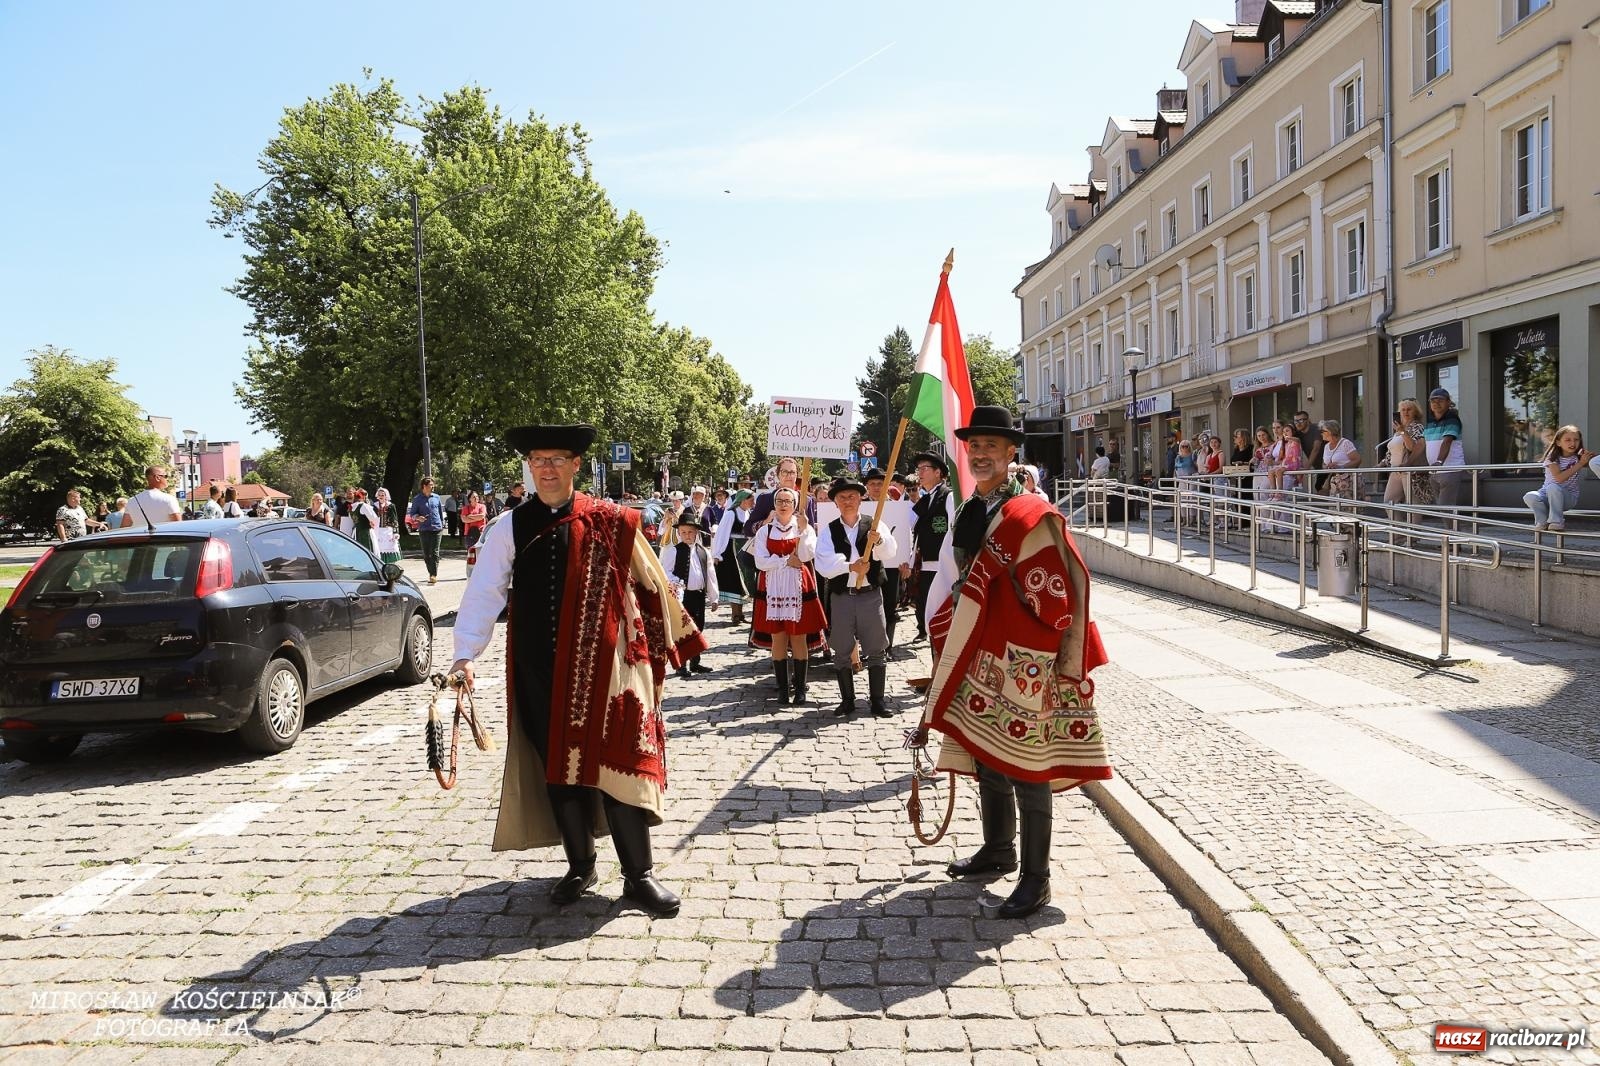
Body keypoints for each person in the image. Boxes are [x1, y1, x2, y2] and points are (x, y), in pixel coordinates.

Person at [449, 423, 705, 919]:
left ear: (575, 466)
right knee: (561, 771)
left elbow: (652, 580)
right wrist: (464, 655)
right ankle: (581, 865)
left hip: (606, 672)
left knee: (618, 765)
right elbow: (484, 592)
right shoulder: (508, 527)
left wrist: (673, 644)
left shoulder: (611, 519)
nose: (546, 469)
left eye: (556, 459)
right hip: (539, 669)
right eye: (537, 460)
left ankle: (640, 876)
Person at [912, 404, 1112, 920]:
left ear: (1009, 453)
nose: (980, 454)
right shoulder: (967, 508)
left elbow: (1055, 594)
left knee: (1027, 765)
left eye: (990, 447)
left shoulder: (1028, 515)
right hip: (980, 648)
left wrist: (1006, 599)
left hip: (1024, 655)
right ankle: (998, 848)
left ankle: (1036, 878)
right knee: (985, 751)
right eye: (973, 446)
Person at [814, 477, 898, 718]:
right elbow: (823, 563)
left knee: (876, 648)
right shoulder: (829, 531)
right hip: (843, 596)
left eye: (852, 496)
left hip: (871, 595)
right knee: (841, 649)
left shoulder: (875, 525)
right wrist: (850, 566)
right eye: (842, 497)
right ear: (835, 503)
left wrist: (878, 541)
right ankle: (847, 701)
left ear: (861, 498)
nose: (848, 501)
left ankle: (878, 701)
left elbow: (890, 552)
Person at [751, 487, 826, 704]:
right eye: (779, 501)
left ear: (794, 506)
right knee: (778, 637)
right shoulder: (764, 531)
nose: (783, 505)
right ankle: (782, 688)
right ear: (774, 505)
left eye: (787, 501)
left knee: (798, 636)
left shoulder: (804, 528)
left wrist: (803, 532)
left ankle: (800, 687)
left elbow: (806, 554)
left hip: (797, 586)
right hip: (772, 588)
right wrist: (784, 561)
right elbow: (761, 562)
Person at [659, 510, 718, 678]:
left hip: (698, 595)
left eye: (690, 532)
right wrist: (676, 581)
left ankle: (695, 661)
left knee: (698, 627)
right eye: (683, 532)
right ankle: (681, 664)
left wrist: (714, 597)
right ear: (678, 533)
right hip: (682, 597)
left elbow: (710, 574)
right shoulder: (673, 551)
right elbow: (665, 572)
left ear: (696, 532)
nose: (687, 535)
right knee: (683, 629)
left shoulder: (703, 551)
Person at [909, 451, 955, 644]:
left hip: (943, 567)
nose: (920, 472)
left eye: (924, 468)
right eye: (918, 469)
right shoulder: (925, 500)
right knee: (930, 618)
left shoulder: (949, 496)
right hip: (926, 567)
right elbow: (917, 535)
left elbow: (954, 530)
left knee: (944, 619)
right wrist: (911, 562)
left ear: (938, 472)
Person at [1524, 425, 1597, 533]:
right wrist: (1581, 463)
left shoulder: (1578, 456)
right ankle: (1542, 521)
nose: (1572, 443)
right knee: (1530, 496)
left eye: (1576, 440)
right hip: (1548, 494)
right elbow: (1559, 478)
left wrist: (1590, 458)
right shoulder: (1552, 458)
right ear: (1558, 442)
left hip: (1568, 498)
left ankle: (1557, 521)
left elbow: (1595, 462)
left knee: (1553, 488)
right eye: (1568, 440)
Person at [862, 469, 905, 650]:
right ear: (867, 487)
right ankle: (870, 645)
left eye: (880, 483)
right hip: (868, 563)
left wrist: (906, 562)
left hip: (892, 565)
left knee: (889, 603)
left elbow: (903, 537)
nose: (876, 487)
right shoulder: (861, 507)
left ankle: (887, 645)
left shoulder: (897, 507)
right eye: (872, 484)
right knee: (867, 605)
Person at [712, 488, 758, 625]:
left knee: (745, 581)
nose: (753, 502)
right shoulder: (730, 514)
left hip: (745, 549)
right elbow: (721, 533)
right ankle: (735, 614)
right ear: (743, 500)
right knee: (736, 581)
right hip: (732, 550)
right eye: (751, 499)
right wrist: (717, 554)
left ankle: (740, 613)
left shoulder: (747, 513)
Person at [1424, 388, 1466, 508]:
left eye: (1440, 400)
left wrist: (1439, 461)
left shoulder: (1452, 419)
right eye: (1433, 401)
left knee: (1445, 506)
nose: (1436, 403)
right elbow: (1422, 444)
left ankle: (1453, 528)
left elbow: (1447, 441)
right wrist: (1408, 463)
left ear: (1448, 402)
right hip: (1434, 470)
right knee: (1441, 507)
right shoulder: (1430, 422)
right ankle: (1448, 527)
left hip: (1450, 469)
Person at [749, 457, 818, 527]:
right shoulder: (765, 499)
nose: (788, 476)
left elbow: (811, 534)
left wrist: (805, 526)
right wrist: (766, 521)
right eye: (784, 472)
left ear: (797, 475)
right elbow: (748, 529)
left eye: (792, 472)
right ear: (778, 474)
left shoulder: (806, 500)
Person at [408, 477, 445, 584]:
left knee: (434, 552)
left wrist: (441, 524)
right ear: (424, 486)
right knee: (426, 554)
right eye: (430, 485)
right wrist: (418, 518)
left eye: (433, 485)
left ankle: (433, 574)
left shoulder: (436, 497)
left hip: (437, 528)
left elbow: (440, 512)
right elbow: (412, 514)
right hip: (424, 529)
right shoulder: (417, 499)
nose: (432, 487)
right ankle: (431, 571)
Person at [1318, 419, 1361, 500]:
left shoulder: (1345, 443)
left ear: (1330, 431)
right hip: (1334, 482)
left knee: (1348, 507)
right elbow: (1324, 463)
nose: (1321, 433)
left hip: (1349, 481)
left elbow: (1357, 460)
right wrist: (1327, 466)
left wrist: (1341, 467)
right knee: (1334, 508)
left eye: (1322, 431)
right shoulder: (1326, 446)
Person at [372, 487, 403, 563]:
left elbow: (394, 519)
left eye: (382, 495)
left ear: (386, 496)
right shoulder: (374, 506)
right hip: (378, 530)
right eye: (379, 495)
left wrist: (395, 532)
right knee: (378, 548)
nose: (381, 496)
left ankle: (390, 564)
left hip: (388, 531)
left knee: (389, 547)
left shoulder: (391, 506)